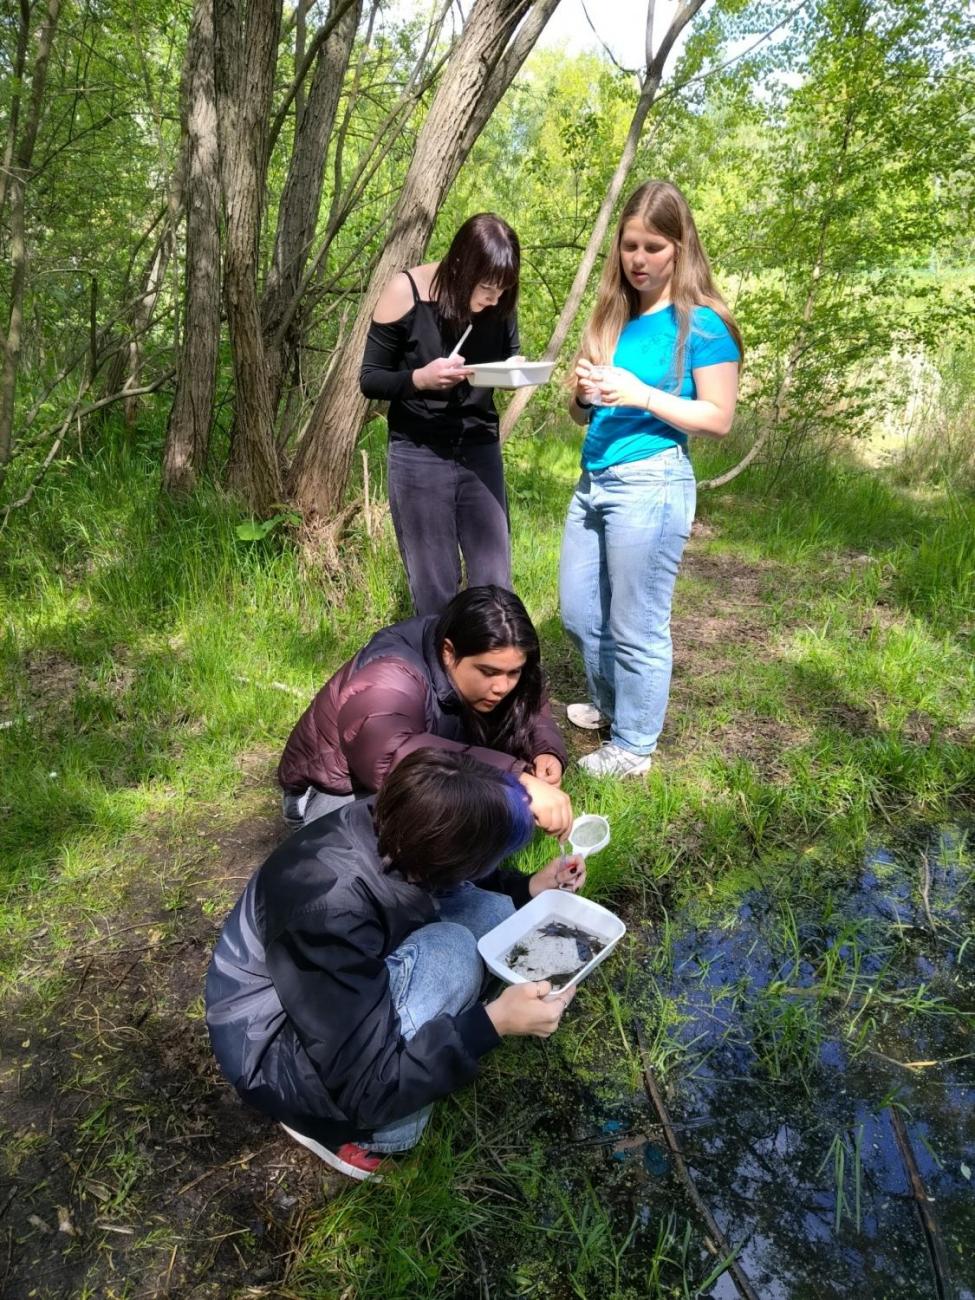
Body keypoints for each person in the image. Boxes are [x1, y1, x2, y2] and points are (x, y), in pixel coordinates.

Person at [206, 749, 586, 1181]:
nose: (494, 865)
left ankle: (435, 1030)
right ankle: (362, 1135)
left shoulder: (404, 822)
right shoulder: (327, 910)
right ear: (450, 858)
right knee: (452, 953)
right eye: (492, 857)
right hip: (275, 1054)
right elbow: (366, 1085)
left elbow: (462, 878)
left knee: (499, 914)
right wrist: (491, 1023)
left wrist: (530, 886)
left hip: (329, 991)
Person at [560, 180, 742, 778]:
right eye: (629, 246)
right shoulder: (613, 315)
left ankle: (635, 747)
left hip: (652, 480)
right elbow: (580, 410)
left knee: (635, 622)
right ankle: (614, 706)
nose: (638, 260)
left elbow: (718, 418)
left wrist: (641, 394)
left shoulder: (703, 324)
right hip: (594, 478)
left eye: (653, 247)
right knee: (580, 612)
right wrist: (584, 396)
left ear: (680, 247)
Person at [278, 585, 571, 838]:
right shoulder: (391, 673)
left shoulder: (489, 661)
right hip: (333, 793)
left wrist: (544, 750)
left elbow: (529, 703)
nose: (502, 686)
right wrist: (515, 777)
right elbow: (391, 757)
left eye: (513, 672)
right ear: (448, 651)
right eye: (488, 672)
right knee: (395, 866)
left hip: (408, 772)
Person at [360, 213, 522, 615]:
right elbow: (371, 379)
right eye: (486, 288)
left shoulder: (499, 302)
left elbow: (509, 357)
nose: (493, 299)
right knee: (435, 588)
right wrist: (420, 378)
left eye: (502, 290)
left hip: (479, 447)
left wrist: (514, 372)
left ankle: (492, 674)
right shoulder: (406, 290)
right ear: (459, 268)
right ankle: (437, 674)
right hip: (419, 452)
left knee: (494, 582)